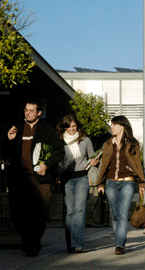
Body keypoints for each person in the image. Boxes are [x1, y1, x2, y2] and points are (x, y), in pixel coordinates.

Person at [0, 99, 65, 257]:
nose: (27, 113)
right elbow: (6, 152)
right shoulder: (17, 129)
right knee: (17, 211)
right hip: (18, 178)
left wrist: (46, 165)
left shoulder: (47, 130)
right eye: (25, 110)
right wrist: (8, 140)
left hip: (39, 179)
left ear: (39, 113)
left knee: (37, 213)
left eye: (31, 110)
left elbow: (59, 151)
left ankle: (33, 243)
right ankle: (27, 240)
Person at [96, 116, 145, 255]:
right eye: (111, 125)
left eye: (114, 125)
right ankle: (120, 241)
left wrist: (141, 182)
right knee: (115, 215)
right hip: (111, 182)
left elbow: (137, 163)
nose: (111, 127)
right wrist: (100, 183)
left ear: (122, 126)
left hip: (127, 182)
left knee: (122, 215)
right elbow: (104, 165)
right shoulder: (107, 143)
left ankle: (119, 245)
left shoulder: (132, 143)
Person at [57, 114, 97, 253]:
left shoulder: (85, 140)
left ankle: (78, 243)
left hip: (81, 178)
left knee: (80, 210)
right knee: (70, 212)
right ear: (64, 127)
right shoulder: (60, 140)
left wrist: (94, 161)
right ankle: (70, 244)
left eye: (74, 126)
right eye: (68, 126)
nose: (71, 129)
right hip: (66, 179)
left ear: (77, 126)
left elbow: (92, 157)